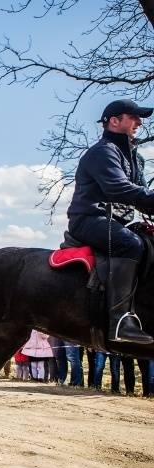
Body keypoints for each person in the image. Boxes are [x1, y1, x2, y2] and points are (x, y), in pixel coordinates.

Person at [66, 99, 154, 344]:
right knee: (131, 244)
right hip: (89, 219)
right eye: (133, 117)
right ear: (114, 121)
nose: (139, 122)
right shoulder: (102, 151)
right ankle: (120, 320)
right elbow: (118, 189)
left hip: (119, 222)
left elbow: (143, 197)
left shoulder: (137, 159)